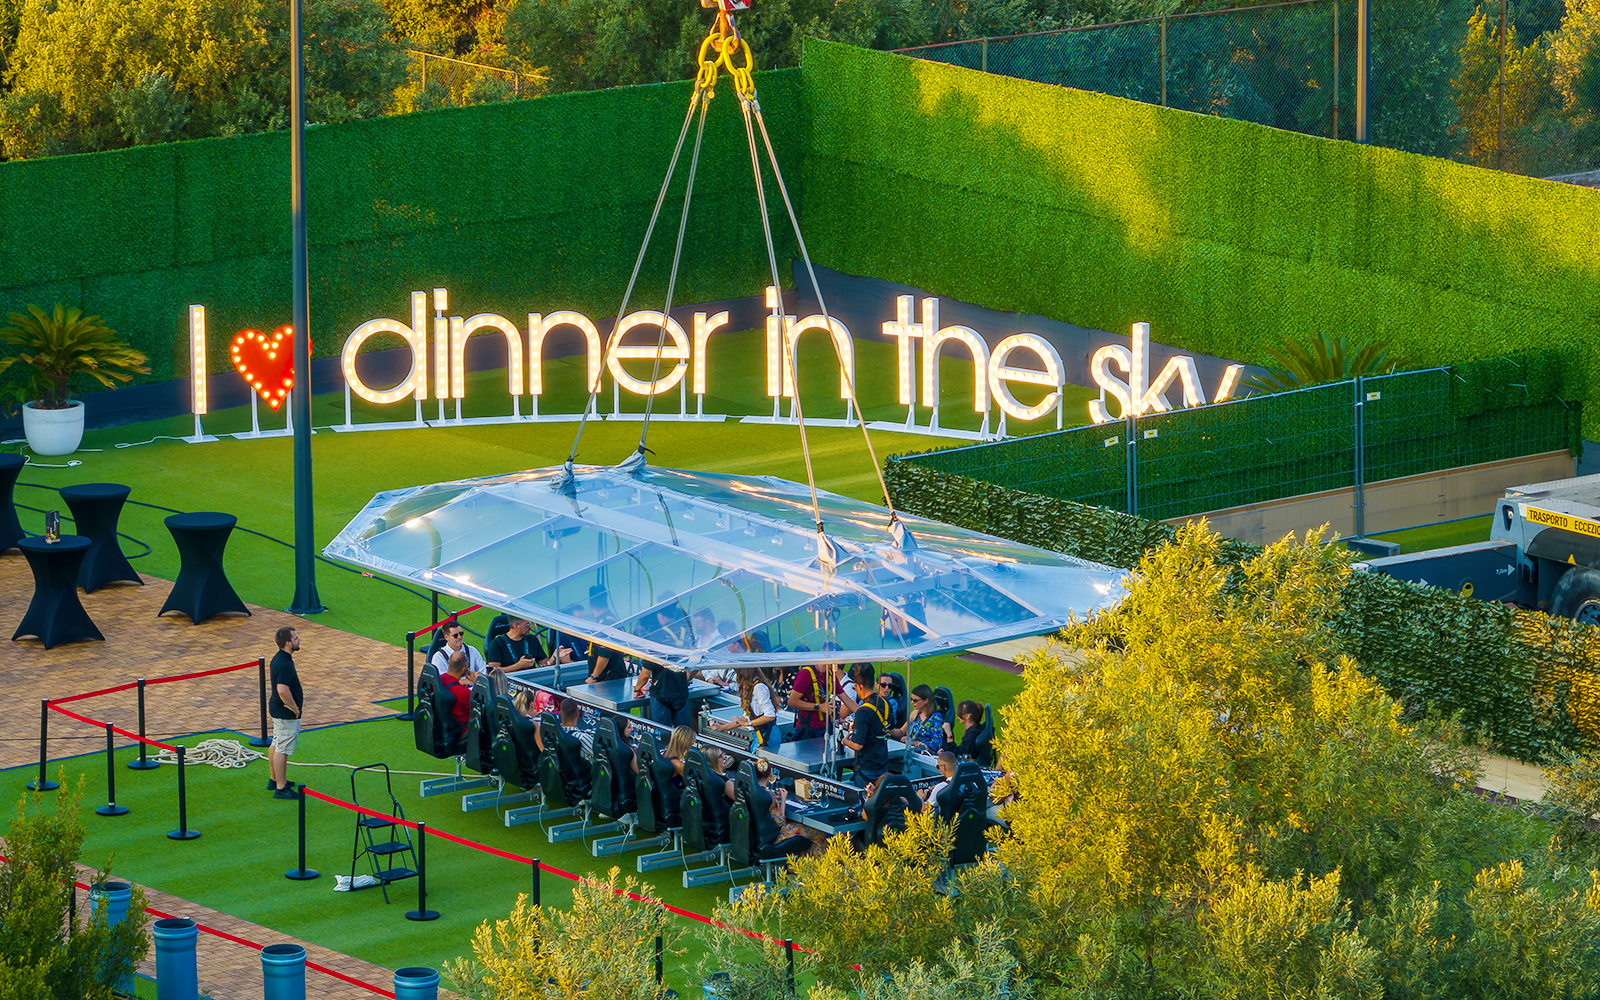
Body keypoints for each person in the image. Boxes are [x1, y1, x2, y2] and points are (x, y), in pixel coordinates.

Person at [750, 758, 822, 857]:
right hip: (775, 836)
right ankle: (818, 865)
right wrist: (783, 801)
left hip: (757, 835)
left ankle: (795, 864)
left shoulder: (751, 791)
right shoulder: (769, 797)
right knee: (818, 833)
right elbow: (780, 822)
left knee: (798, 825)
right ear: (770, 774)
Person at [710, 667, 783, 754]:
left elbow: (770, 715)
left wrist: (747, 723)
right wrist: (722, 727)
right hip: (758, 734)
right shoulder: (750, 687)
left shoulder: (759, 687)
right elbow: (747, 717)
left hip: (768, 734)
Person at [268, 626, 304, 799]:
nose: (299, 640)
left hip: (276, 710)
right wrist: (294, 708)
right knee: (282, 747)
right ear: (288, 642)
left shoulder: (278, 659)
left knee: (276, 742)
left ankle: (274, 779)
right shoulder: (285, 663)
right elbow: (282, 690)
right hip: (285, 713)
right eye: (296, 638)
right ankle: (281, 787)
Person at [841, 662, 891, 785]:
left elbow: (858, 745)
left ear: (859, 686)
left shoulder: (863, 711)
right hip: (883, 763)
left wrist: (845, 741)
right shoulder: (885, 703)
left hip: (867, 769)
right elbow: (890, 728)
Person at [634, 655, 693, 728]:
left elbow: (645, 674)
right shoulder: (683, 647)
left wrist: (636, 689)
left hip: (661, 695)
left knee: (661, 733)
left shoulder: (656, 650)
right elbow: (691, 671)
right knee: (684, 734)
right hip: (680, 694)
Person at [787, 660, 833, 742]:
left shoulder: (829, 675)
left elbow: (846, 699)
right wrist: (818, 707)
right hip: (806, 729)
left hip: (825, 728)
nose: (824, 665)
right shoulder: (806, 673)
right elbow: (791, 702)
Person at [892, 684, 944, 756]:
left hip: (925, 755)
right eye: (911, 699)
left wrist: (913, 742)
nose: (912, 702)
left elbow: (936, 744)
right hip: (911, 752)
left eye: (915, 700)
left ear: (926, 700)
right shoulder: (915, 713)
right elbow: (901, 731)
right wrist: (889, 731)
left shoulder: (936, 717)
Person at [438, 651, 477, 730]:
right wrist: (476, 682)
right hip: (461, 731)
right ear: (464, 669)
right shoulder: (463, 692)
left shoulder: (437, 681)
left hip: (440, 727)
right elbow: (477, 710)